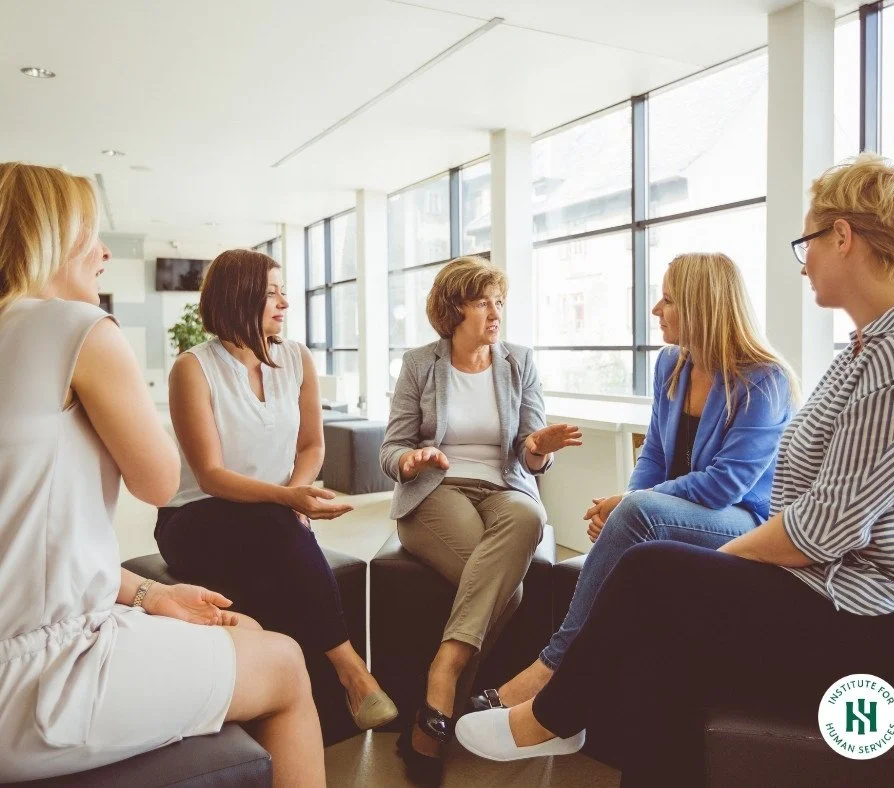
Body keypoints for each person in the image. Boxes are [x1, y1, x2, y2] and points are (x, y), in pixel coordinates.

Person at [456, 153, 894, 787]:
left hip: (888, 621)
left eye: (808, 243)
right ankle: (563, 708)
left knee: (652, 573)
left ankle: (552, 709)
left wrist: (717, 563)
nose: (805, 263)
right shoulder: (865, 350)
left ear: (842, 236)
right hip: (836, 592)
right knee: (665, 651)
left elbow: (822, 527)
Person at [0, 163, 325, 786]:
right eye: (90, 235)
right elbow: (161, 479)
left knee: (249, 625)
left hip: (34, 643)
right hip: (41, 684)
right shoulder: (77, 328)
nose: (102, 253)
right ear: (49, 237)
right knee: (283, 662)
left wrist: (151, 594)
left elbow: (34, 547)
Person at [475, 252, 797, 711]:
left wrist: (628, 504)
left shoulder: (764, 381)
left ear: (700, 307)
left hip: (744, 523)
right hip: (676, 513)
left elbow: (726, 485)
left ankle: (549, 669)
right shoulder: (671, 365)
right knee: (633, 515)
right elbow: (655, 454)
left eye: (667, 300)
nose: (655, 310)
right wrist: (627, 504)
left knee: (636, 513)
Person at [156, 249, 396, 732]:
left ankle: (300, 701)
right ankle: (353, 672)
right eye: (271, 292)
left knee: (275, 533)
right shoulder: (193, 368)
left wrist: (296, 492)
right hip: (194, 517)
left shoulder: (295, 357)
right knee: (275, 523)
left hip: (268, 517)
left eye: (283, 290)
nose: (284, 301)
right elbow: (210, 474)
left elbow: (312, 445)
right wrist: (289, 501)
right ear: (239, 296)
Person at [379, 256, 581, 785]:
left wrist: (538, 449)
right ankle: (450, 700)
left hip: (503, 488)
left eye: (499, 301)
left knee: (527, 516)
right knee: (504, 591)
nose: (495, 312)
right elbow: (392, 446)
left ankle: (438, 683)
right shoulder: (421, 363)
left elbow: (531, 450)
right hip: (436, 489)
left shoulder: (519, 361)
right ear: (454, 309)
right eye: (483, 301)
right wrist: (409, 461)